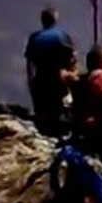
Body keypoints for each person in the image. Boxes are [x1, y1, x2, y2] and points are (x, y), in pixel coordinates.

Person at [25, 7, 77, 136]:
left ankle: (44, 136)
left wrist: (31, 81)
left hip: (40, 80)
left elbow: (29, 63)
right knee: (59, 113)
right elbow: (72, 58)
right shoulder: (61, 36)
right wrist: (72, 77)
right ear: (55, 19)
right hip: (57, 80)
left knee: (42, 114)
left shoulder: (34, 38)